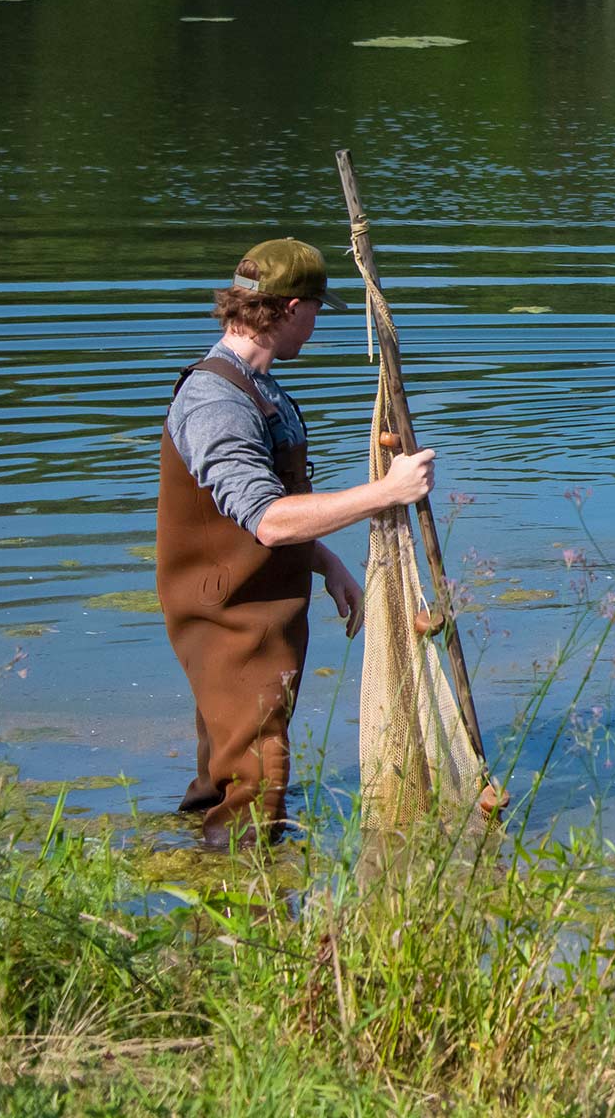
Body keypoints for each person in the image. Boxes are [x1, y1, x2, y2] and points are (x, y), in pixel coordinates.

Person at [155, 238, 436, 848]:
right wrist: (387, 493)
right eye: (314, 308)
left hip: (258, 609)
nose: (317, 322)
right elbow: (267, 519)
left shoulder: (261, 388)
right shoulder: (216, 401)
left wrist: (325, 561)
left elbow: (260, 511)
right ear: (286, 308)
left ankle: (195, 893)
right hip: (232, 617)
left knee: (222, 778)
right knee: (257, 786)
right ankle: (252, 922)